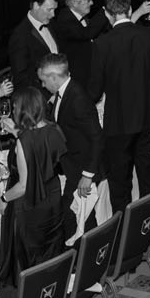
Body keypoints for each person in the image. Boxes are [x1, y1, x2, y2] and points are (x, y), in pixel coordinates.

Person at [96, 0, 150, 210]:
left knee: (120, 181)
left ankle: (123, 227)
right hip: (149, 115)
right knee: (148, 175)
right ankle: (149, 221)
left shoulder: (102, 43)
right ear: (130, 10)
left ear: (108, 13)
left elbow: (95, 89)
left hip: (118, 121)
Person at [0, 86, 68, 281]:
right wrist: (18, 133)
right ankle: (53, 287)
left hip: (31, 204)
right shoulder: (54, 129)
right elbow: (47, 156)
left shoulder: (24, 140)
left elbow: (23, 185)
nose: (13, 111)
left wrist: (3, 199)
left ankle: (31, 293)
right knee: (51, 246)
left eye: (14, 107)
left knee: (32, 254)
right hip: (52, 197)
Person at [39, 53, 103, 216]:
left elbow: (96, 137)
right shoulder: (64, 93)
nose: (43, 85)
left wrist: (87, 175)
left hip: (81, 169)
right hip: (72, 167)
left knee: (76, 216)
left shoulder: (78, 98)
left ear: (53, 77)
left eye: (44, 81)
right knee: (78, 216)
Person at [52, 0, 109, 92]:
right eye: (88, 0)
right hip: (78, 83)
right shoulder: (65, 18)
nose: (92, 3)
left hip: (90, 81)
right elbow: (86, 34)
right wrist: (105, 10)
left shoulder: (83, 18)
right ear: (75, 2)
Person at [8, 0, 63, 85]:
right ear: (36, 6)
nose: (53, 14)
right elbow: (21, 77)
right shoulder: (20, 35)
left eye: (54, 10)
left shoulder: (52, 24)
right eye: (49, 9)